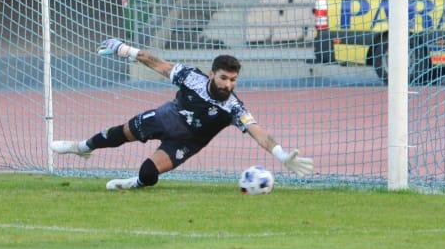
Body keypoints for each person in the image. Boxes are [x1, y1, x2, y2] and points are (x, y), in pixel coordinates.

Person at [52, 39, 315, 190]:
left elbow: (259, 133)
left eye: (233, 80)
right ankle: (82, 147)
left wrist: (281, 154)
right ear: (212, 74)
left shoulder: (233, 107)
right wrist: (125, 49)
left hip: (187, 142)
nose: (228, 85)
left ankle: (132, 184)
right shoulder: (191, 77)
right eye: (224, 78)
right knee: (120, 133)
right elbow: (158, 64)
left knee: (148, 174)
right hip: (167, 117)